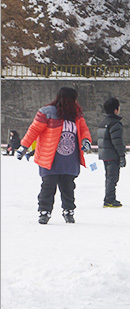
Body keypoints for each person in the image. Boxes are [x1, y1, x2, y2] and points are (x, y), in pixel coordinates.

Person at [18, 87, 92, 224]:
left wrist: (86, 140)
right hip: (49, 159)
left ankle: (68, 211)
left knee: (68, 187)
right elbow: (34, 130)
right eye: (73, 99)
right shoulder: (47, 112)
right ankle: (44, 211)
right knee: (48, 186)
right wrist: (24, 146)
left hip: (70, 160)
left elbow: (84, 129)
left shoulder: (76, 115)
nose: (75, 102)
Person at [97, 96, 126, 208]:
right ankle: (109, 199)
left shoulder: (103, 122)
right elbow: (117, 141)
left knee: (109, 177)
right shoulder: (115, 124)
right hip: (113, 155)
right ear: (116, 110)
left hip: (105, 155)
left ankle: (109, 197)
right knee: (112, 178)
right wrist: (121, 155)